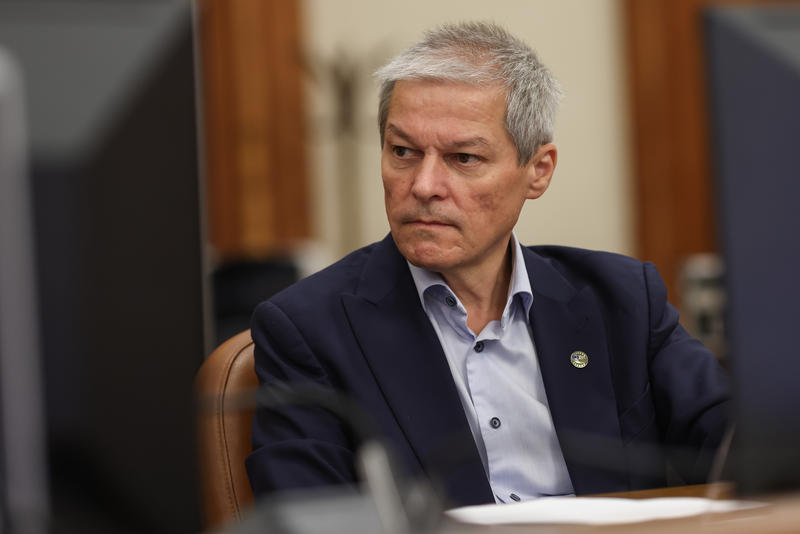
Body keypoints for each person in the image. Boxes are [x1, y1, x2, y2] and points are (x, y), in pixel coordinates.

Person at [245, 21, 730, 507]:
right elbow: (307, 515)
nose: (423, 185)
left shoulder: (622, 300)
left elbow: (741, 448)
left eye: (463, 158)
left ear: (538, 171)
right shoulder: (310, 328)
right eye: (403, 152)